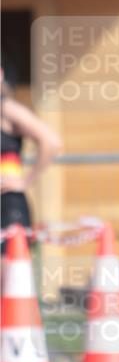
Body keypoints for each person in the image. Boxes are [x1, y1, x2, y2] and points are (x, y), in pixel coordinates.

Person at [1, 64, 62, 254]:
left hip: (7, 205)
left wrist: (26, 180)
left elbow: (51, 141)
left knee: (9, 278)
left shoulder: (7, 109)